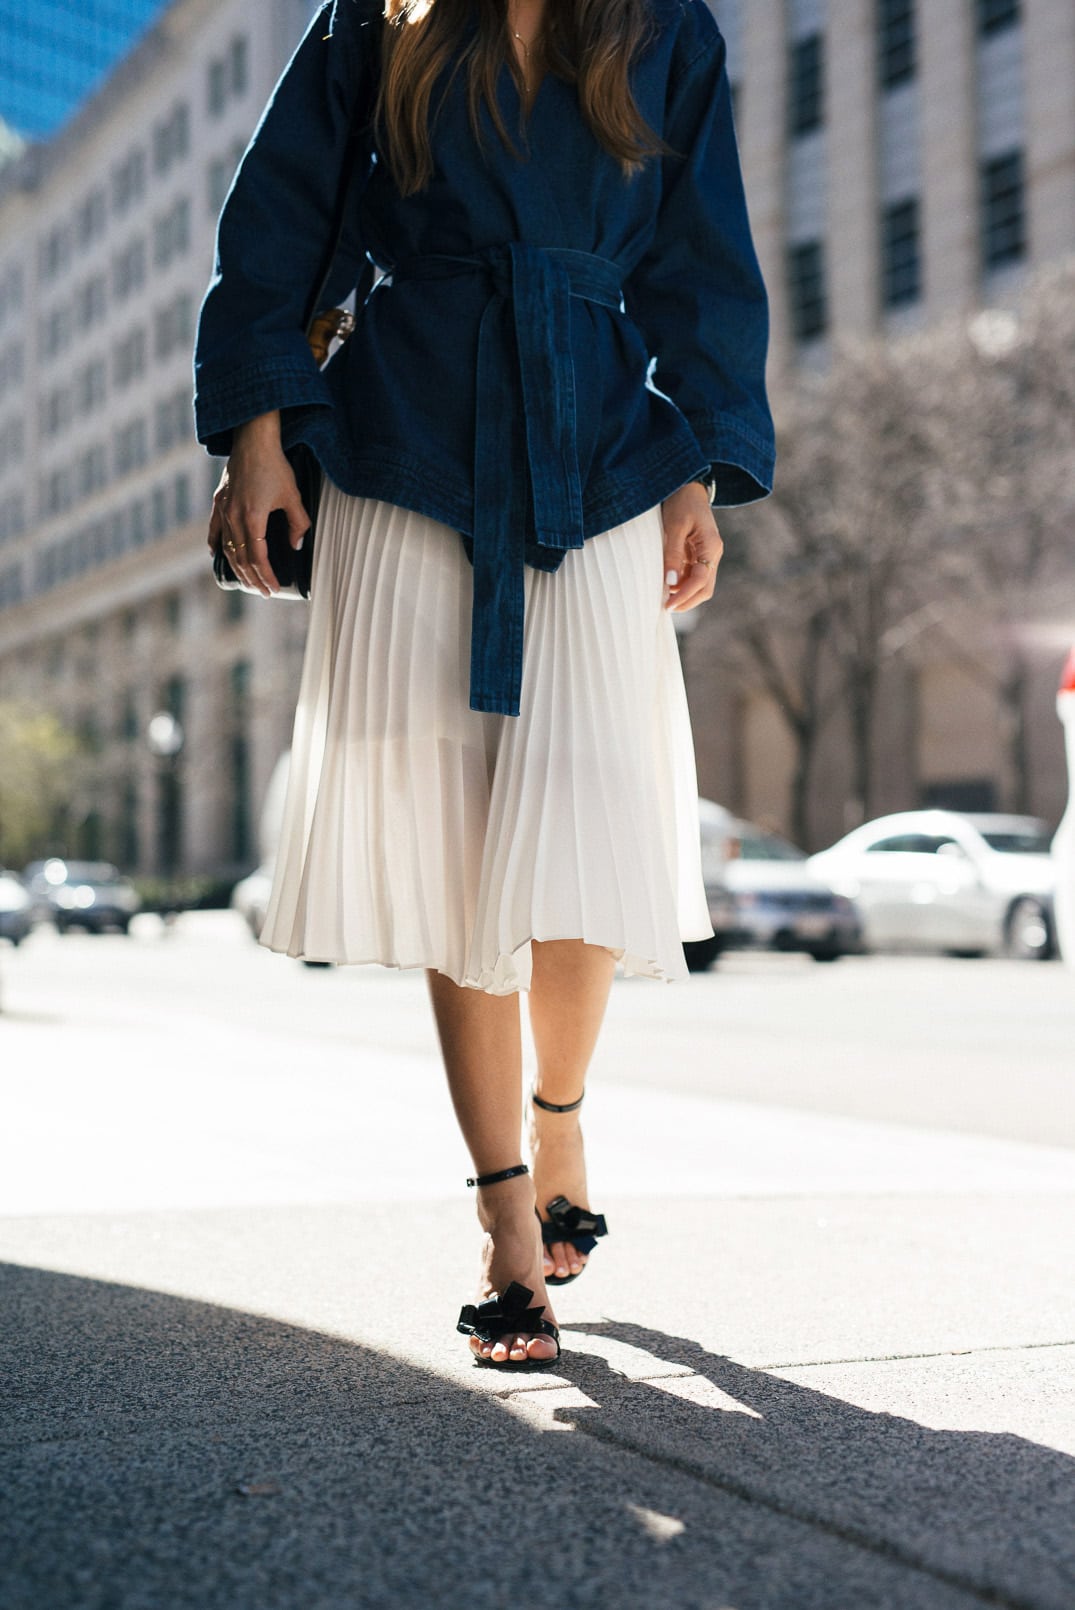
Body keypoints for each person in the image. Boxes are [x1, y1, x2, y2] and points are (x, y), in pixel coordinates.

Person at [193, 0, 774, 1369]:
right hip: (408, 449)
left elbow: (705, 262)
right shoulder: (376, 23)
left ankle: (560, 1106)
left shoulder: (663, 33)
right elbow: (280, 222)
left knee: (587, 826)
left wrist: (702, 462)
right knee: (463, 856)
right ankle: (508, 1221)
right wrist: (257, 438)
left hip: (603, 454)